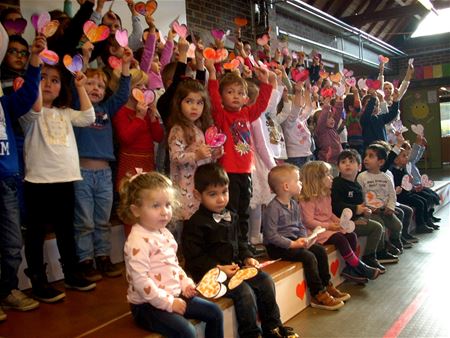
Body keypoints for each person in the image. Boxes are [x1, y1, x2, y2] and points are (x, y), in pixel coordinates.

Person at [182, 163, 299, 338]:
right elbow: (194, 258)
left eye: (224, 192)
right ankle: (251, 334)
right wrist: (218, 269)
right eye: (213, 194)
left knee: (265, 280)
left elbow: (240, 242)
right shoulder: (195, 224)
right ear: (198, 195)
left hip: (235, 270)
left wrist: (247, 258)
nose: (221, 199)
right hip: (210, 276)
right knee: (244, 291)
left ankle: (273, 327)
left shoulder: (232, 215)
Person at [20, 63, 96, 303]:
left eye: (55, 80)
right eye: (43, 78)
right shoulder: (30, 112)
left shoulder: (64, 112)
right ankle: (38, 280)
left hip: (65, 178)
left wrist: (81, 87)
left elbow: (88, 117)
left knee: (66, 229)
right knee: (36, 232)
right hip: (38, 180)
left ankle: (72, 273)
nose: (49, 84)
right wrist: (33, 87)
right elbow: (34, 110)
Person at [118, 170, 224, 338]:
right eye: (156, 206)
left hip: (172, 295)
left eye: (167, 205)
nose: (164, 211)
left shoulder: (164, 232)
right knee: (186, 332)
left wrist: (185, 283)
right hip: (147, 306)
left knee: (215, 312)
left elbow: (173, 265)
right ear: (136, 210)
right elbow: (141, 282)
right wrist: (169, 303)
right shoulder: (137, 241)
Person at [72, 47, 132, 282]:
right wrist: (83, 61)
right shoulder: (78, 106)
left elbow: (123, 94)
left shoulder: (106, 109)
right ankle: (85, 259)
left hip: (104, 174)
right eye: (91, 84)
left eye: (100, 86)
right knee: (84, 220)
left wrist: (125, 66)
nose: (95, 89)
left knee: (101, 220)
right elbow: (76, 87)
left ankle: (103, 257)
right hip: (82, 173)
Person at [204, 58, 272, 256]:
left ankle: (243, 245)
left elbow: (261, 105)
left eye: (240, 93)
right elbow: (214, 101)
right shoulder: (222, 115)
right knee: (230, 212)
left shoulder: (247, 113)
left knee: (243, 212)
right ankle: (232, 246)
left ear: (245, 98)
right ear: (223, 96)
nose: (236, 96)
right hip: (229, 172)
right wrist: (213, 75)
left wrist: (265, 82)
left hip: (245, 171)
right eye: (230, 92)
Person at [0, 25, 42, 322]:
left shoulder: (4, 100)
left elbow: (26, 97)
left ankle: (8, 290)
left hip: (8, 178)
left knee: (13, 241)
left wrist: (36, 61)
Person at [263, 164, 349, 310]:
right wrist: (292, 244)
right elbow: (271, 235)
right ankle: (317, 294)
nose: (301, 183)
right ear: (286, 186)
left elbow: (300, 225)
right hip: (278, 246)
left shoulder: (294, 204)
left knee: (320, 251)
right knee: (308, 257)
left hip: (295, 241)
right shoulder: (273, 208)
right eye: (297, 180)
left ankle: (326, 285)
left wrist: (305, 238)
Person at [299, 161, 381, 283]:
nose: (332, 178)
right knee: (339, 239)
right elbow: (308, 221)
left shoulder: (326, 195)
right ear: (316, 179)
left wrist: (340, 222)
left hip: (328, 228)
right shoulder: (308, 199)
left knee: (351, 235)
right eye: (328, 175)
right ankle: (358, 265)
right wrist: (329, 226)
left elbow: (329, 213)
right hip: (316, 231)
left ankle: (350, 268)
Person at [331, 149, 394, 270]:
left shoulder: (357, 186)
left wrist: (366, 211)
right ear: (338, 168)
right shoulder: (337, 183)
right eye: (343, 162)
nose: (347, 164)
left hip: (356, 219)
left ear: (359, 167)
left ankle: (379, 251)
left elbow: (361, 205)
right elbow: (335, 205)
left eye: (351, 161)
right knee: (376, 227)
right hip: (342, 222)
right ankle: (369, 257)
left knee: (379, 222)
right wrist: (356, 209)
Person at [168, 78, 219, 222]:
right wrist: (196, 155)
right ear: (179, 104)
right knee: (186, 222)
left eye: (199, 103)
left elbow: (204, 157)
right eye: (189, 101)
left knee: (198, 221)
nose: (194, 107)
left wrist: (213, 155)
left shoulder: (199, 129)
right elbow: (175, 157)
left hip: (199, 185)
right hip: (184, 186)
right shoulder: (178, 129)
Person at [357, 144, 404, 253]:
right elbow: (361, 196)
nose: (366, 159)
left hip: (385, 210)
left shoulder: (386, 177)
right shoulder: (362, 177)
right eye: (365, 156)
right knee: (380, 227)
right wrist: (369, 208)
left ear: (381, 162)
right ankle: (381, 250)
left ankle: (394, 240)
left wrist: (390, 207)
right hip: (371, 212)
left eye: (371, 156)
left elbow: (392, 195)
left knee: (397, 225)